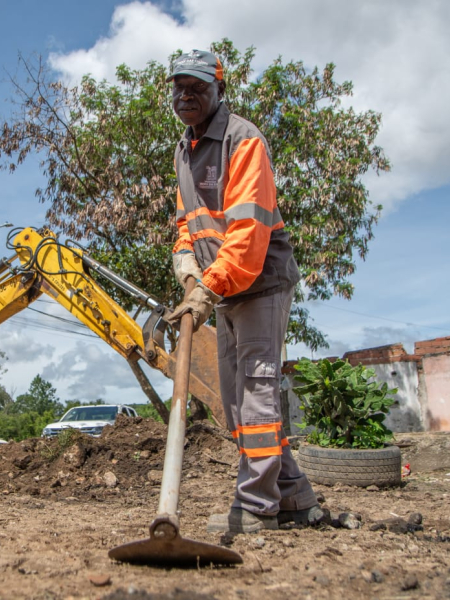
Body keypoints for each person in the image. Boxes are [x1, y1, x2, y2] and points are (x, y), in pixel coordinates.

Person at [165, 49, 329, 533]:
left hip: (259, 282)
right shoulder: (184, 150)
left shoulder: (243, 140)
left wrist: (207, 289)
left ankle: (256, 507)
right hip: (222, 288)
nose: (186, 96)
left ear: (219, 90)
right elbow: (187, 225)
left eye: (197, 87)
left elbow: (247, 235)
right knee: (237, 403)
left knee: (256, 394)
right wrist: (189, 272)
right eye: (179, 88)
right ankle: (293, 495)